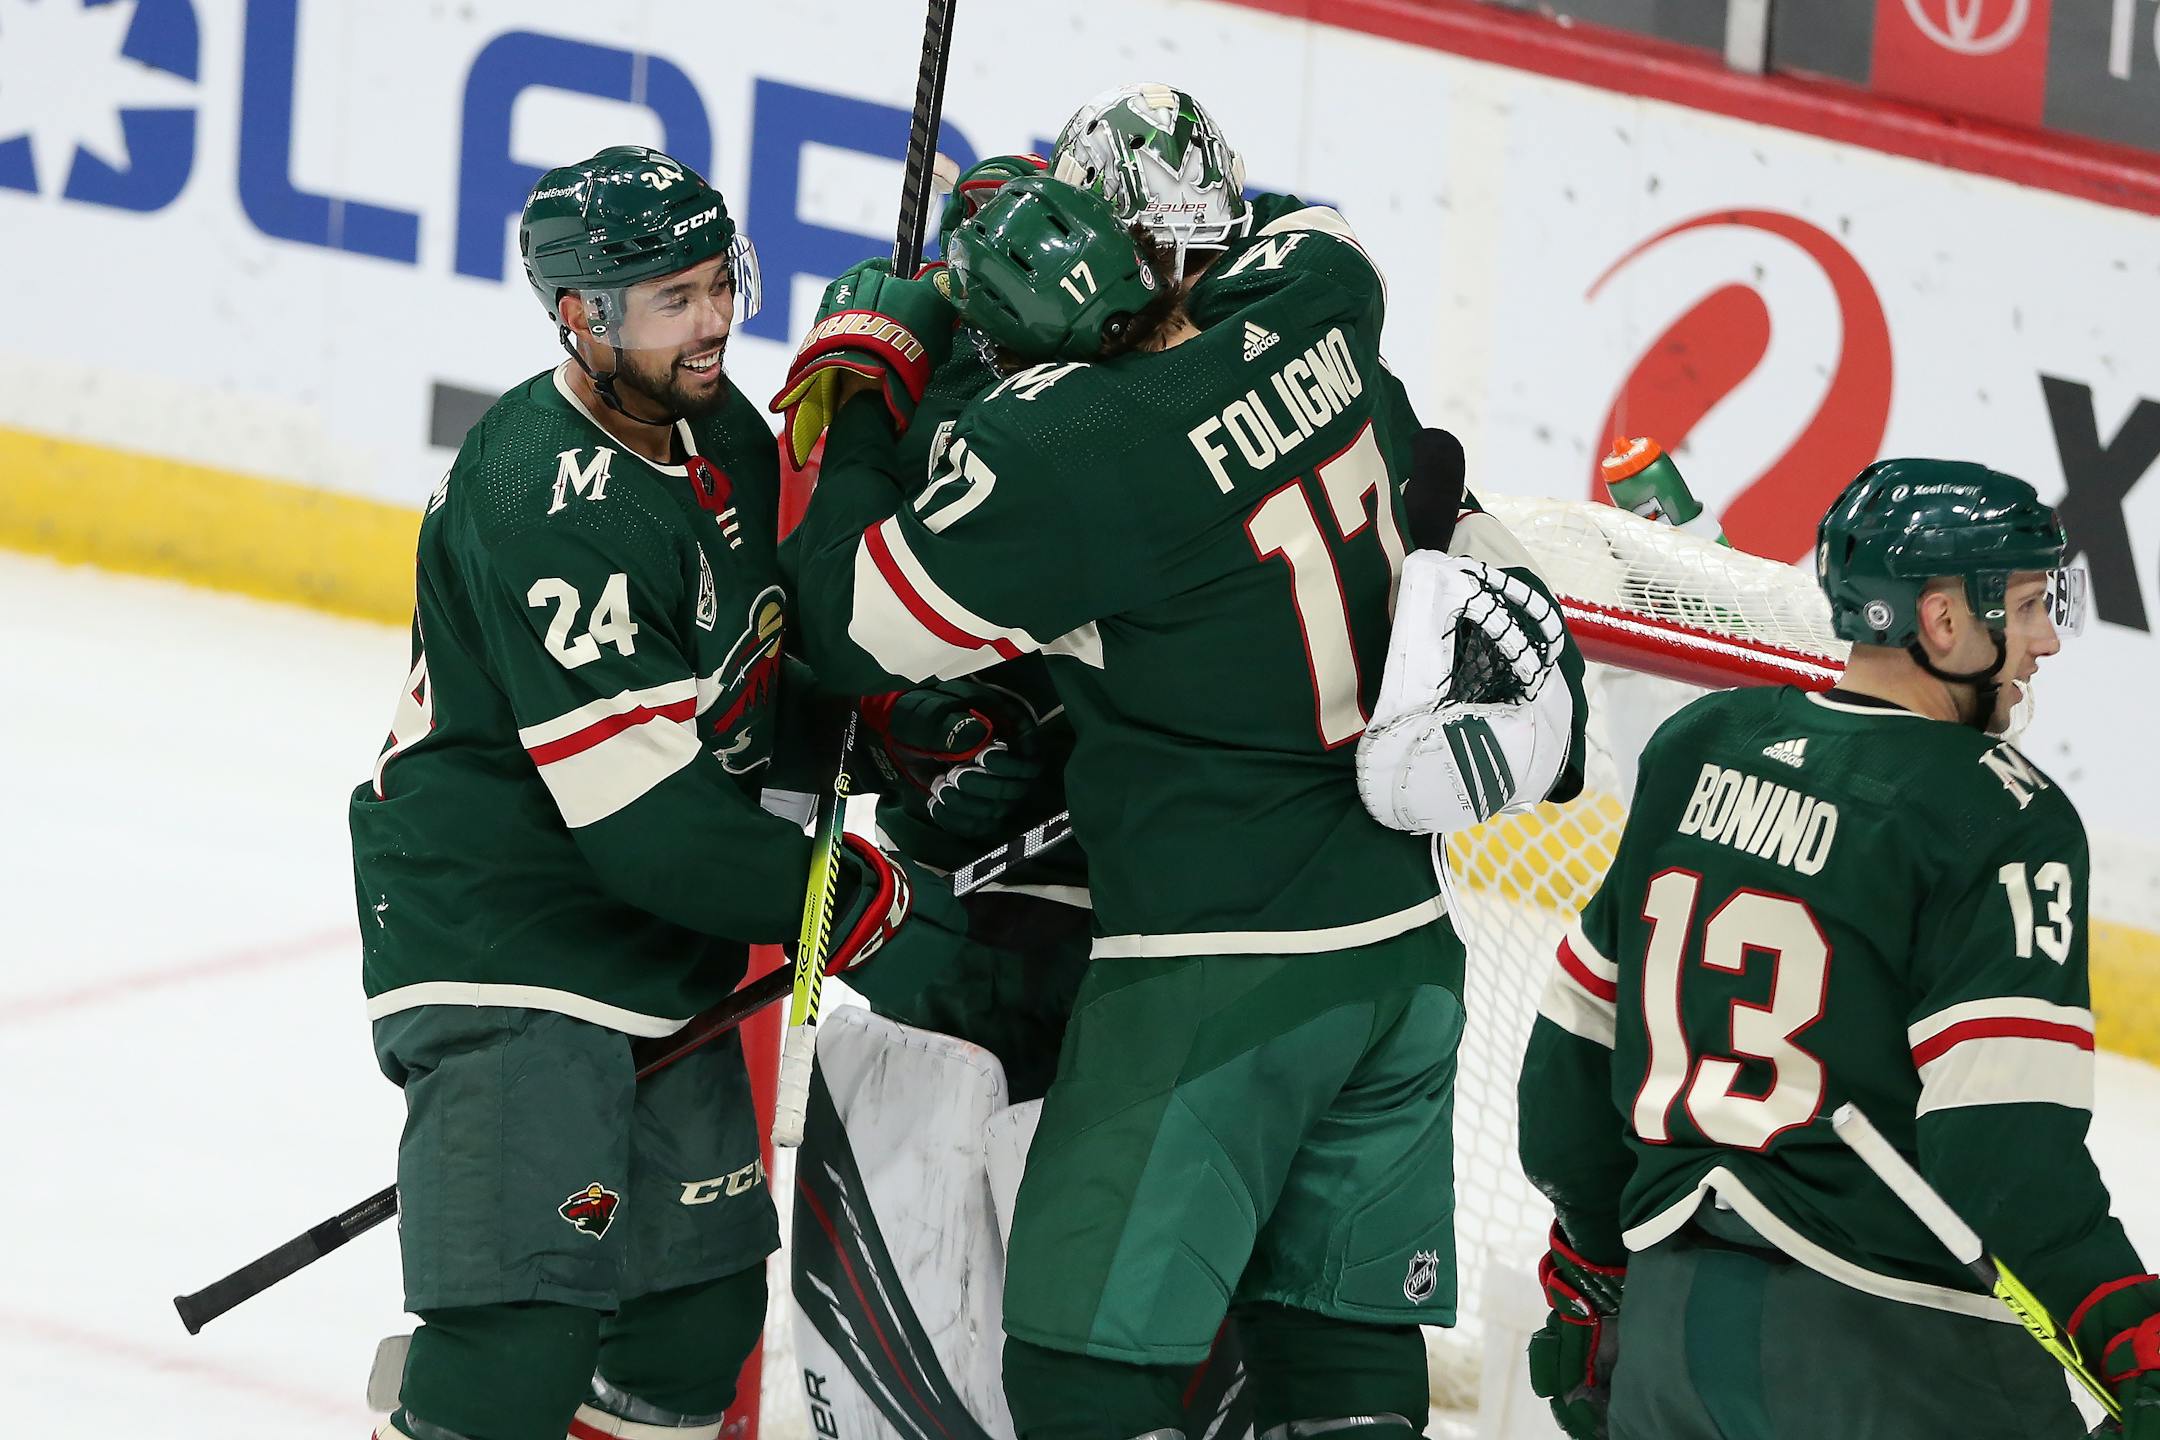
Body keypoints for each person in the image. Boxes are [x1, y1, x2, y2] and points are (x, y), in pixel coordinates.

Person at [774, 167, 1585, 1440]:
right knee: (1341, 1349)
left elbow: (849, 619)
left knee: (1078, 1379)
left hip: (1215, 973)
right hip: (1402, 956)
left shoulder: (1077, 449)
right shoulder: (1322, 306)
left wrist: (869, 390)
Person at [347, 145, 925, 1440]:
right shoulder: (537, 492)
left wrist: (892, 730)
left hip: (653, 941)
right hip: (508, 932)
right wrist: (837, 894)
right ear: (581, 318)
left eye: (721, 282)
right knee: (520, 1333)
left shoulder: (718, 429)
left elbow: (773, 666)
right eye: (675, 298)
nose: (715, 318)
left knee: (694, 1315)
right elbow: (652, 831)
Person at [1516, 459, 2160, 1439]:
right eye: (2029, 605)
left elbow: (1572, 1061)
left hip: (1671, 1333)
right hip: (1891, 1355)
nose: (2049, 638)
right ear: (1943, 621)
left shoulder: (1699, 741)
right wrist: (2126, 1328)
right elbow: (2002, 1149)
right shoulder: (1994, 811)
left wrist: (1593, 1272)